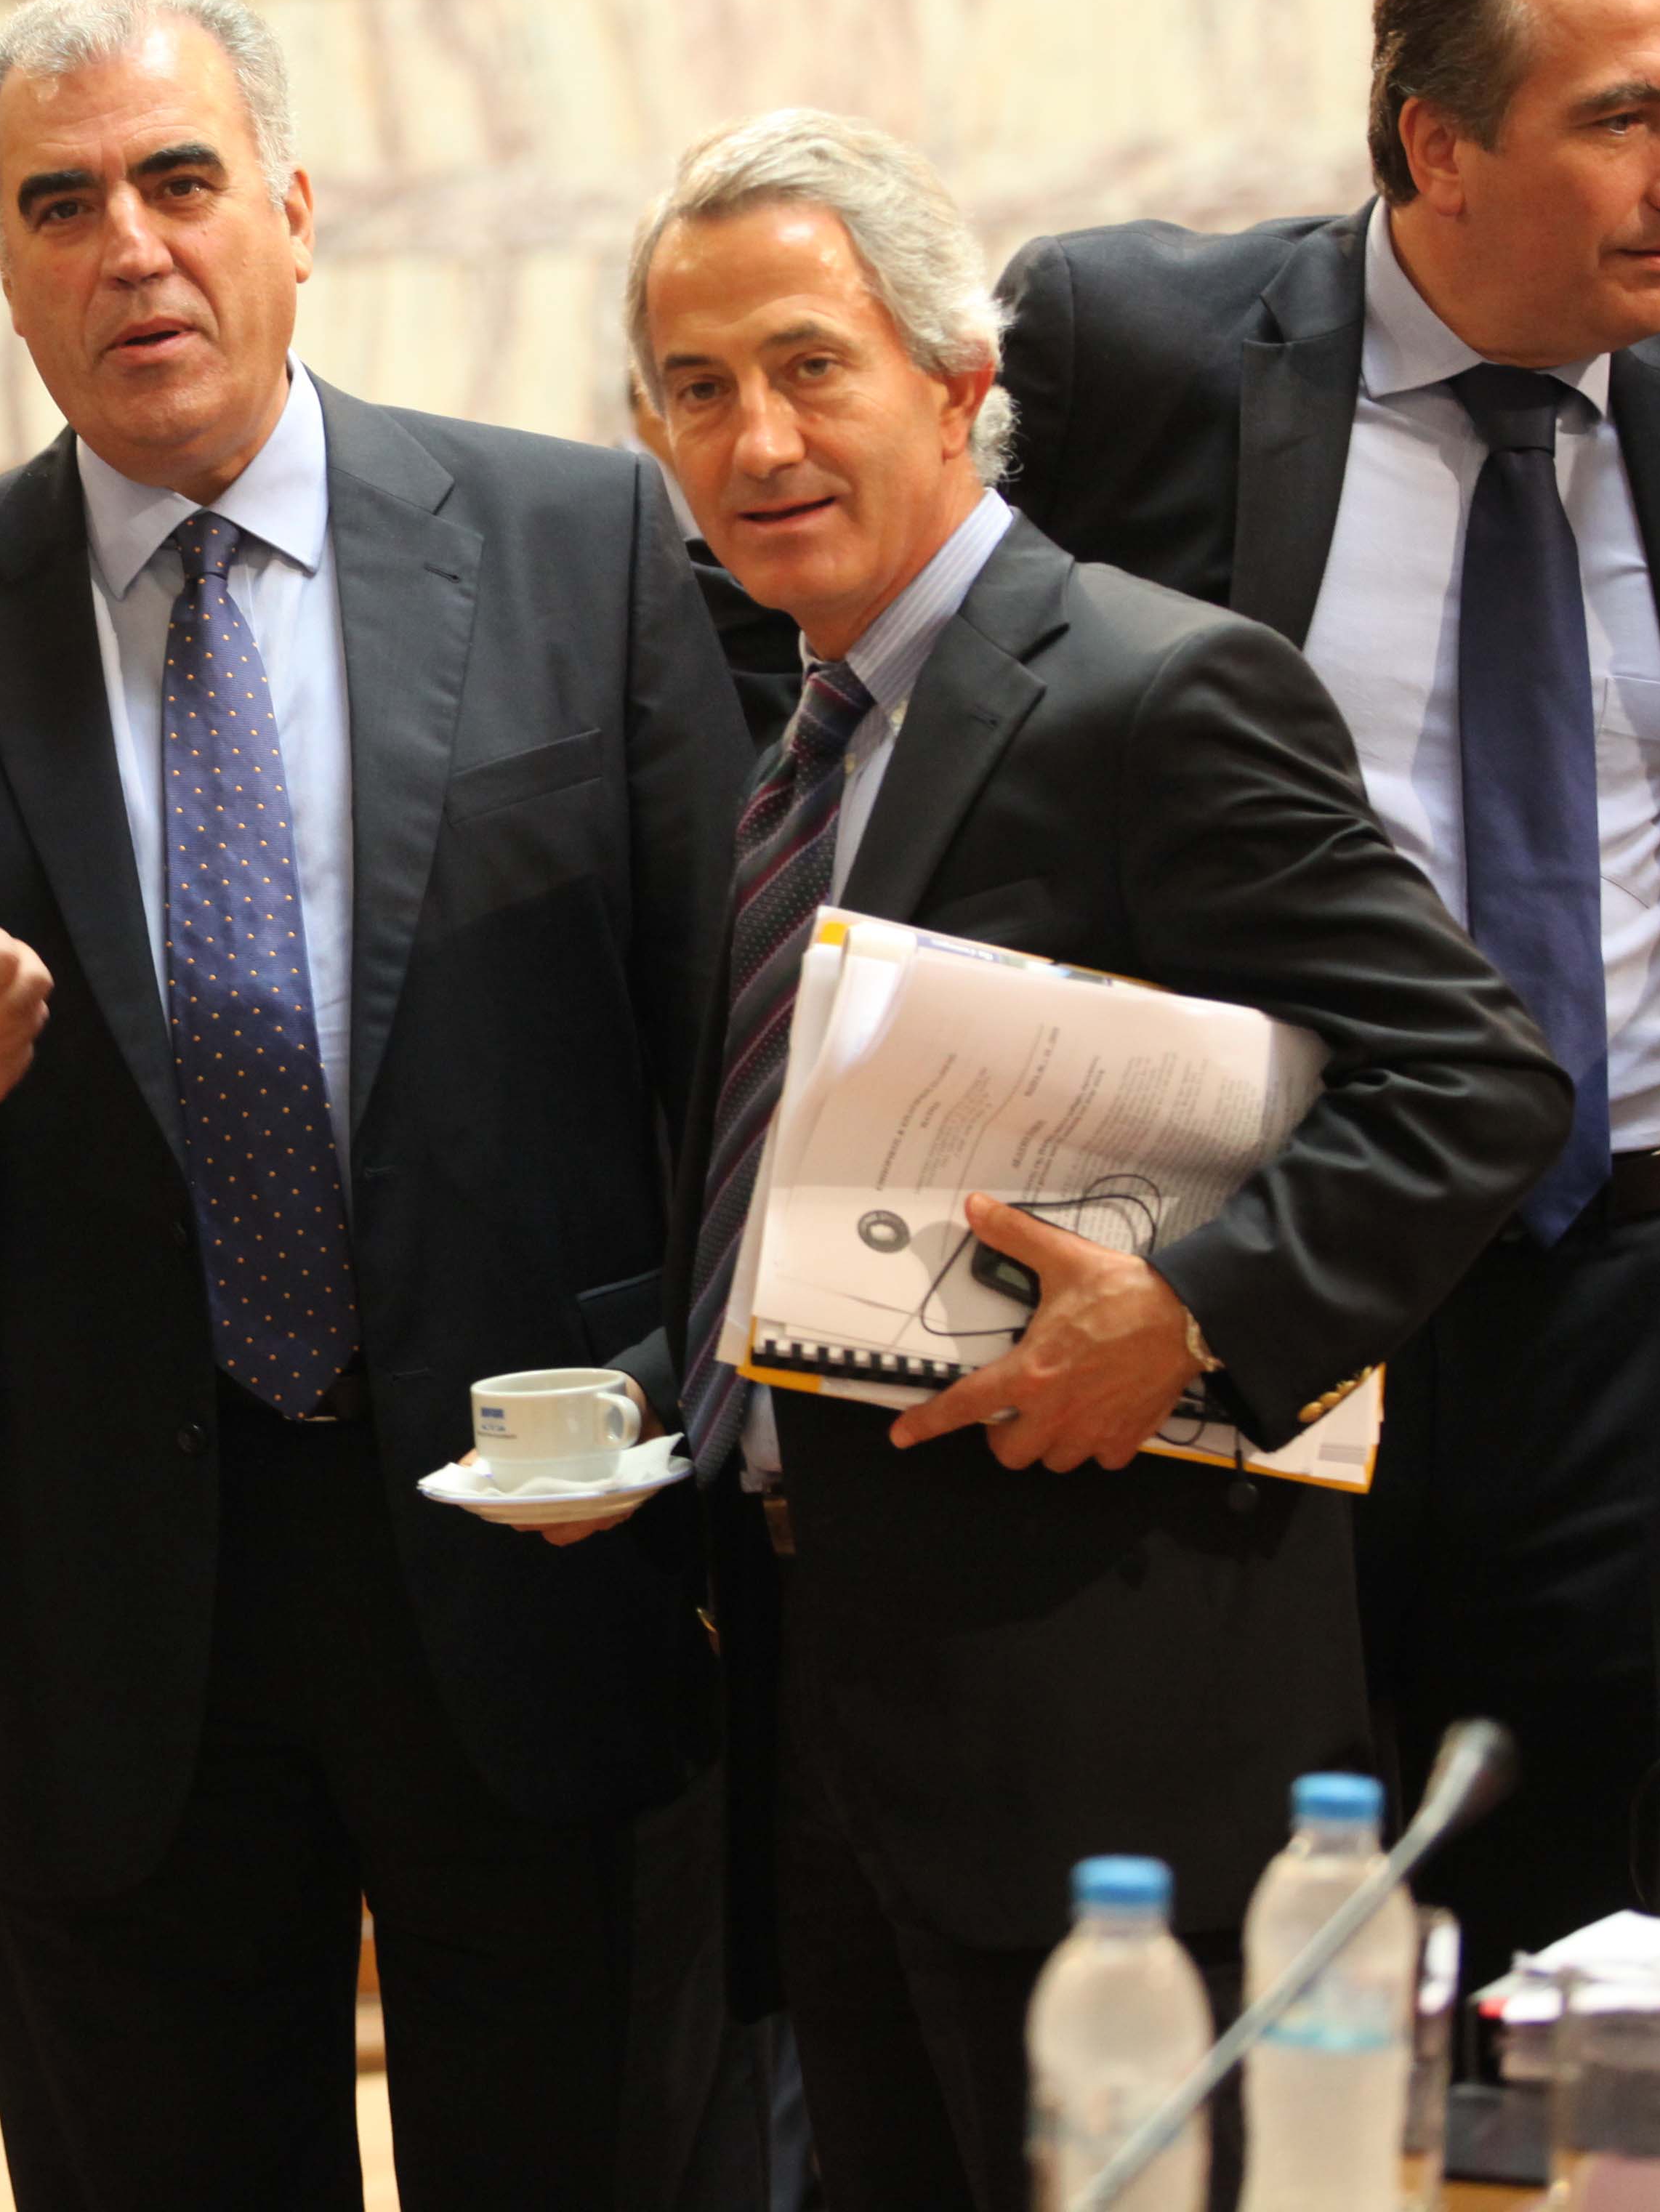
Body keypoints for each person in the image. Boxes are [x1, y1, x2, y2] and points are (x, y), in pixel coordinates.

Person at [0, 0, 754, 2207]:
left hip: (534, 1560)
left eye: (180, 180)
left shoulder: (584, 548)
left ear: (295, 210)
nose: (130, 248)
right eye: (60, 206)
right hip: (101, 1617)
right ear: (5, 269)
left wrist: (675, 1414)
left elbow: (736, 1053)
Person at [589, 110, 1564, 2209]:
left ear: (959, 382)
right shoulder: (800, 730)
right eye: (697, 388)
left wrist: (1196, 1314)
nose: (757, 438)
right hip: (834, 1717)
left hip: (1112, 1743)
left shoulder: (1152, 688)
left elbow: (1475, 1080)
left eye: (810, 365)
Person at [992, 0, 1660, 1978]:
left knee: (1572, 1973)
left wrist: (1589, 1008)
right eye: (1622, 117)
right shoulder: (1141, 354)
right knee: (1222, 1952)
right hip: (1235, 1287)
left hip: (1601, 1303)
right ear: (1434, 143)